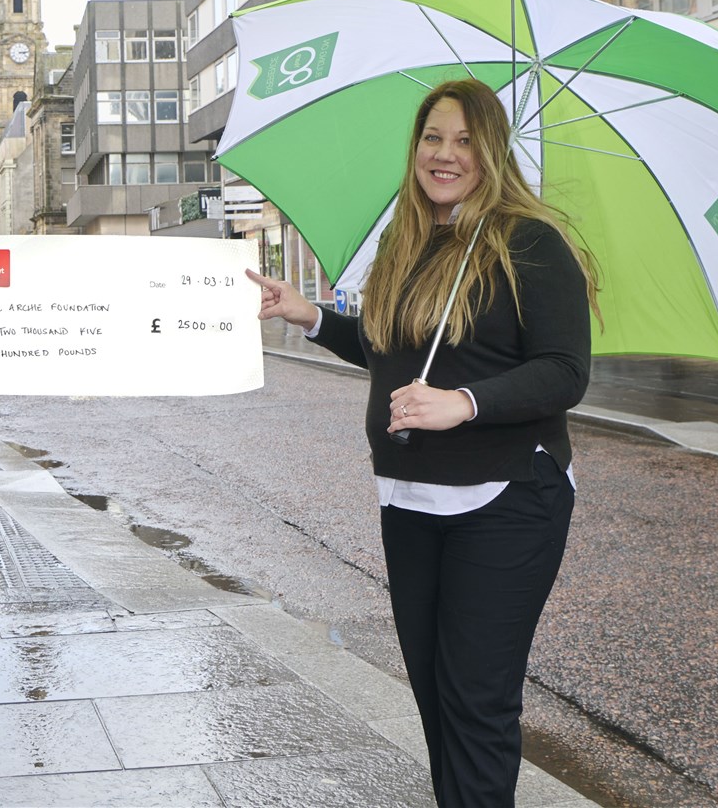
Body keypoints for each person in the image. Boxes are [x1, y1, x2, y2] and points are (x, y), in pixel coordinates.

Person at [246, 79, 598, 807]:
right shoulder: (412, 239)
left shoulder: (531, 242)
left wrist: (464, 403)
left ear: (492, 151)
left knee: (476, 700)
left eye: (466, 141)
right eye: (433, 138)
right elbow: (390, 349)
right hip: (410, 500)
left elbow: (564, 372)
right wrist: (308, 316)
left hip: (507, 497)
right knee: (438, 698)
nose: (445, 155)